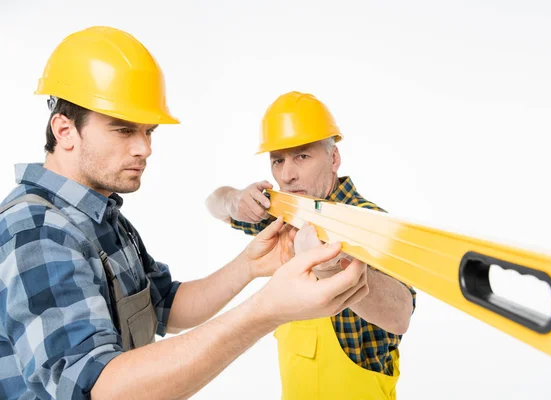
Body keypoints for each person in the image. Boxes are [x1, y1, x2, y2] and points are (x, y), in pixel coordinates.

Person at [0, 27, 370, 400]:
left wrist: (251, 265)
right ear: (65, 130)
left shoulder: (101, 218)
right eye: (124, 130)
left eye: (149, 132)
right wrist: (266, 310)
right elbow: (99, 388)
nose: (144, 148)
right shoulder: (38, 230)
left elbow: (167, 306)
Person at [205, 91, 417, 399]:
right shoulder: (284, 214)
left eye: (302, 156)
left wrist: (336, 267)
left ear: (333, 158)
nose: (287, 176)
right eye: (278, 161)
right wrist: (233, 199)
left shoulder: (371, 222)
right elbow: (213, 204)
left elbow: (401, 317)